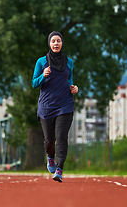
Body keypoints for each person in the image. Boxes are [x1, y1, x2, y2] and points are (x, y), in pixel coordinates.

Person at [32, 31, 78, 182]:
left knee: (62, 137)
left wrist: (73, 87)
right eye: (53, 41)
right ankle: (50, 157)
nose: (56, 43)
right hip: (46, 106)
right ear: (49, 44)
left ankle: (59, 169)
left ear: (62, 43)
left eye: (58, 41)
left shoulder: (69, 62)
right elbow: (34, 83)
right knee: (49, 141)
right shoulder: (41, 62)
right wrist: (43, 76)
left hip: (65, 104)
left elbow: (69, 79)